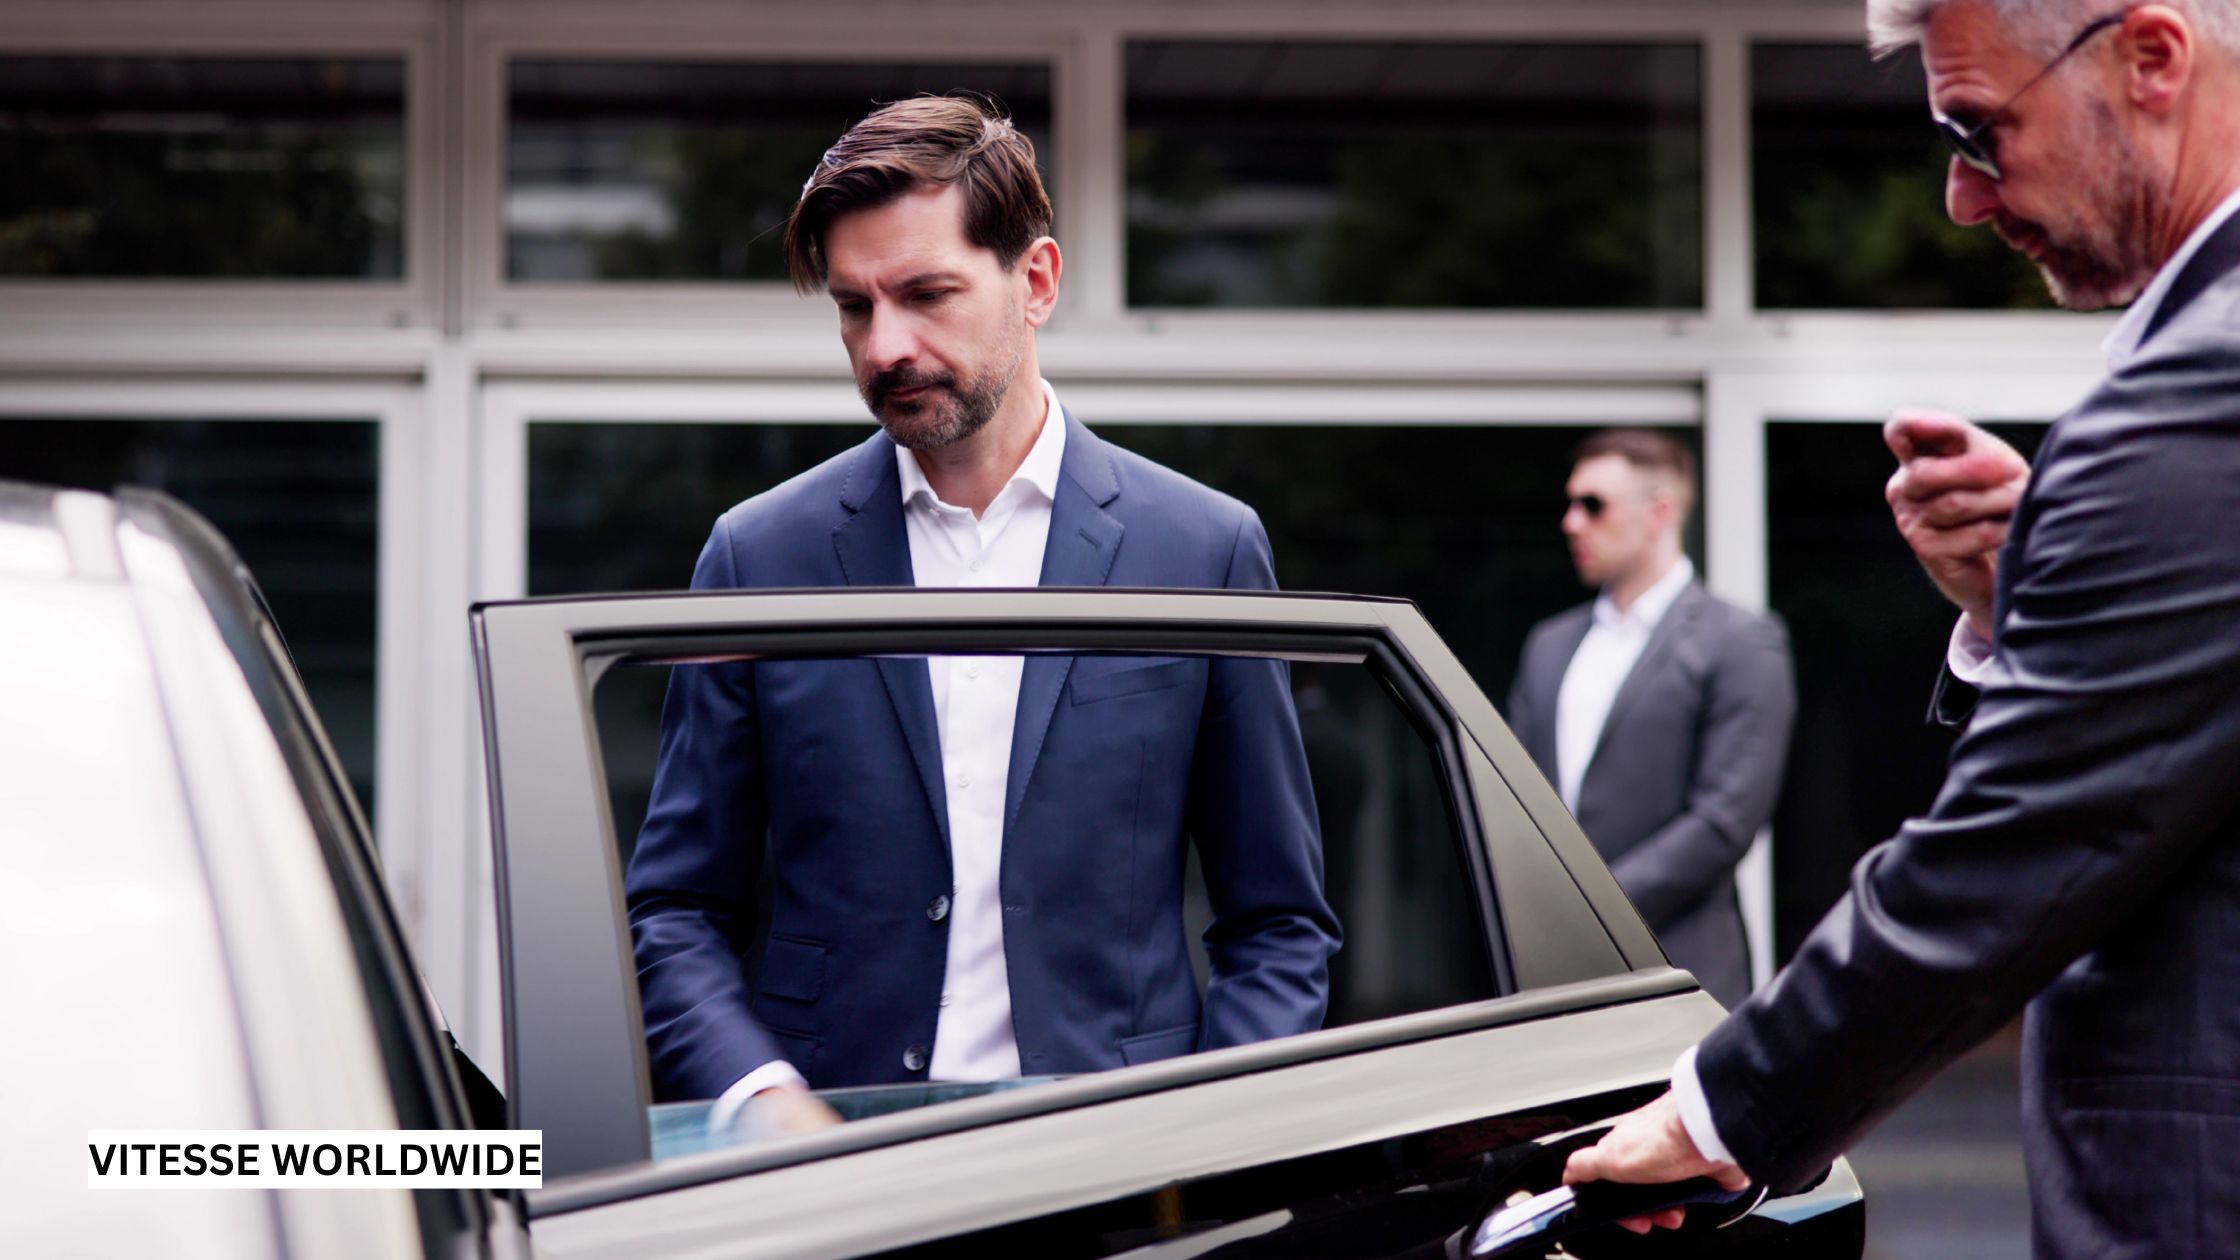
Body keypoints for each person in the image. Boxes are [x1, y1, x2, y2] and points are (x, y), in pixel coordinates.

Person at [1564, 1, 2240, 1252]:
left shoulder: (2202, 385)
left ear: (2149, 59)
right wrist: (2019, 599)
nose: (1961, 201)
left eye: (1977, 131)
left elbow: (2017, 847)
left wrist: (1717, 1112)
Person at [623, 96, 1339, 1131]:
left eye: (926, 294)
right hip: (830, 1173)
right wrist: (759, 1101)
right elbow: (676, 910)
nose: (884, 348)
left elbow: (1275, 922)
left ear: (1034, 281)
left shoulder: (1201, 549)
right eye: (853, 307)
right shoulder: (758, 554)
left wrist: (1204, 1134)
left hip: (1117, 1171)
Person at [1506, 430, 1794, 1010]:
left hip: (1680, 976)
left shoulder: (1740, 641)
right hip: (1549, 979)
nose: (1572, 522)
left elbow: (1724, 822)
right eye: (1570, 503)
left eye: (1593, 505)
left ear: (1659, 511)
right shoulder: (1550, 644)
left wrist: (1596, 908)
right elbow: (1512, 796)